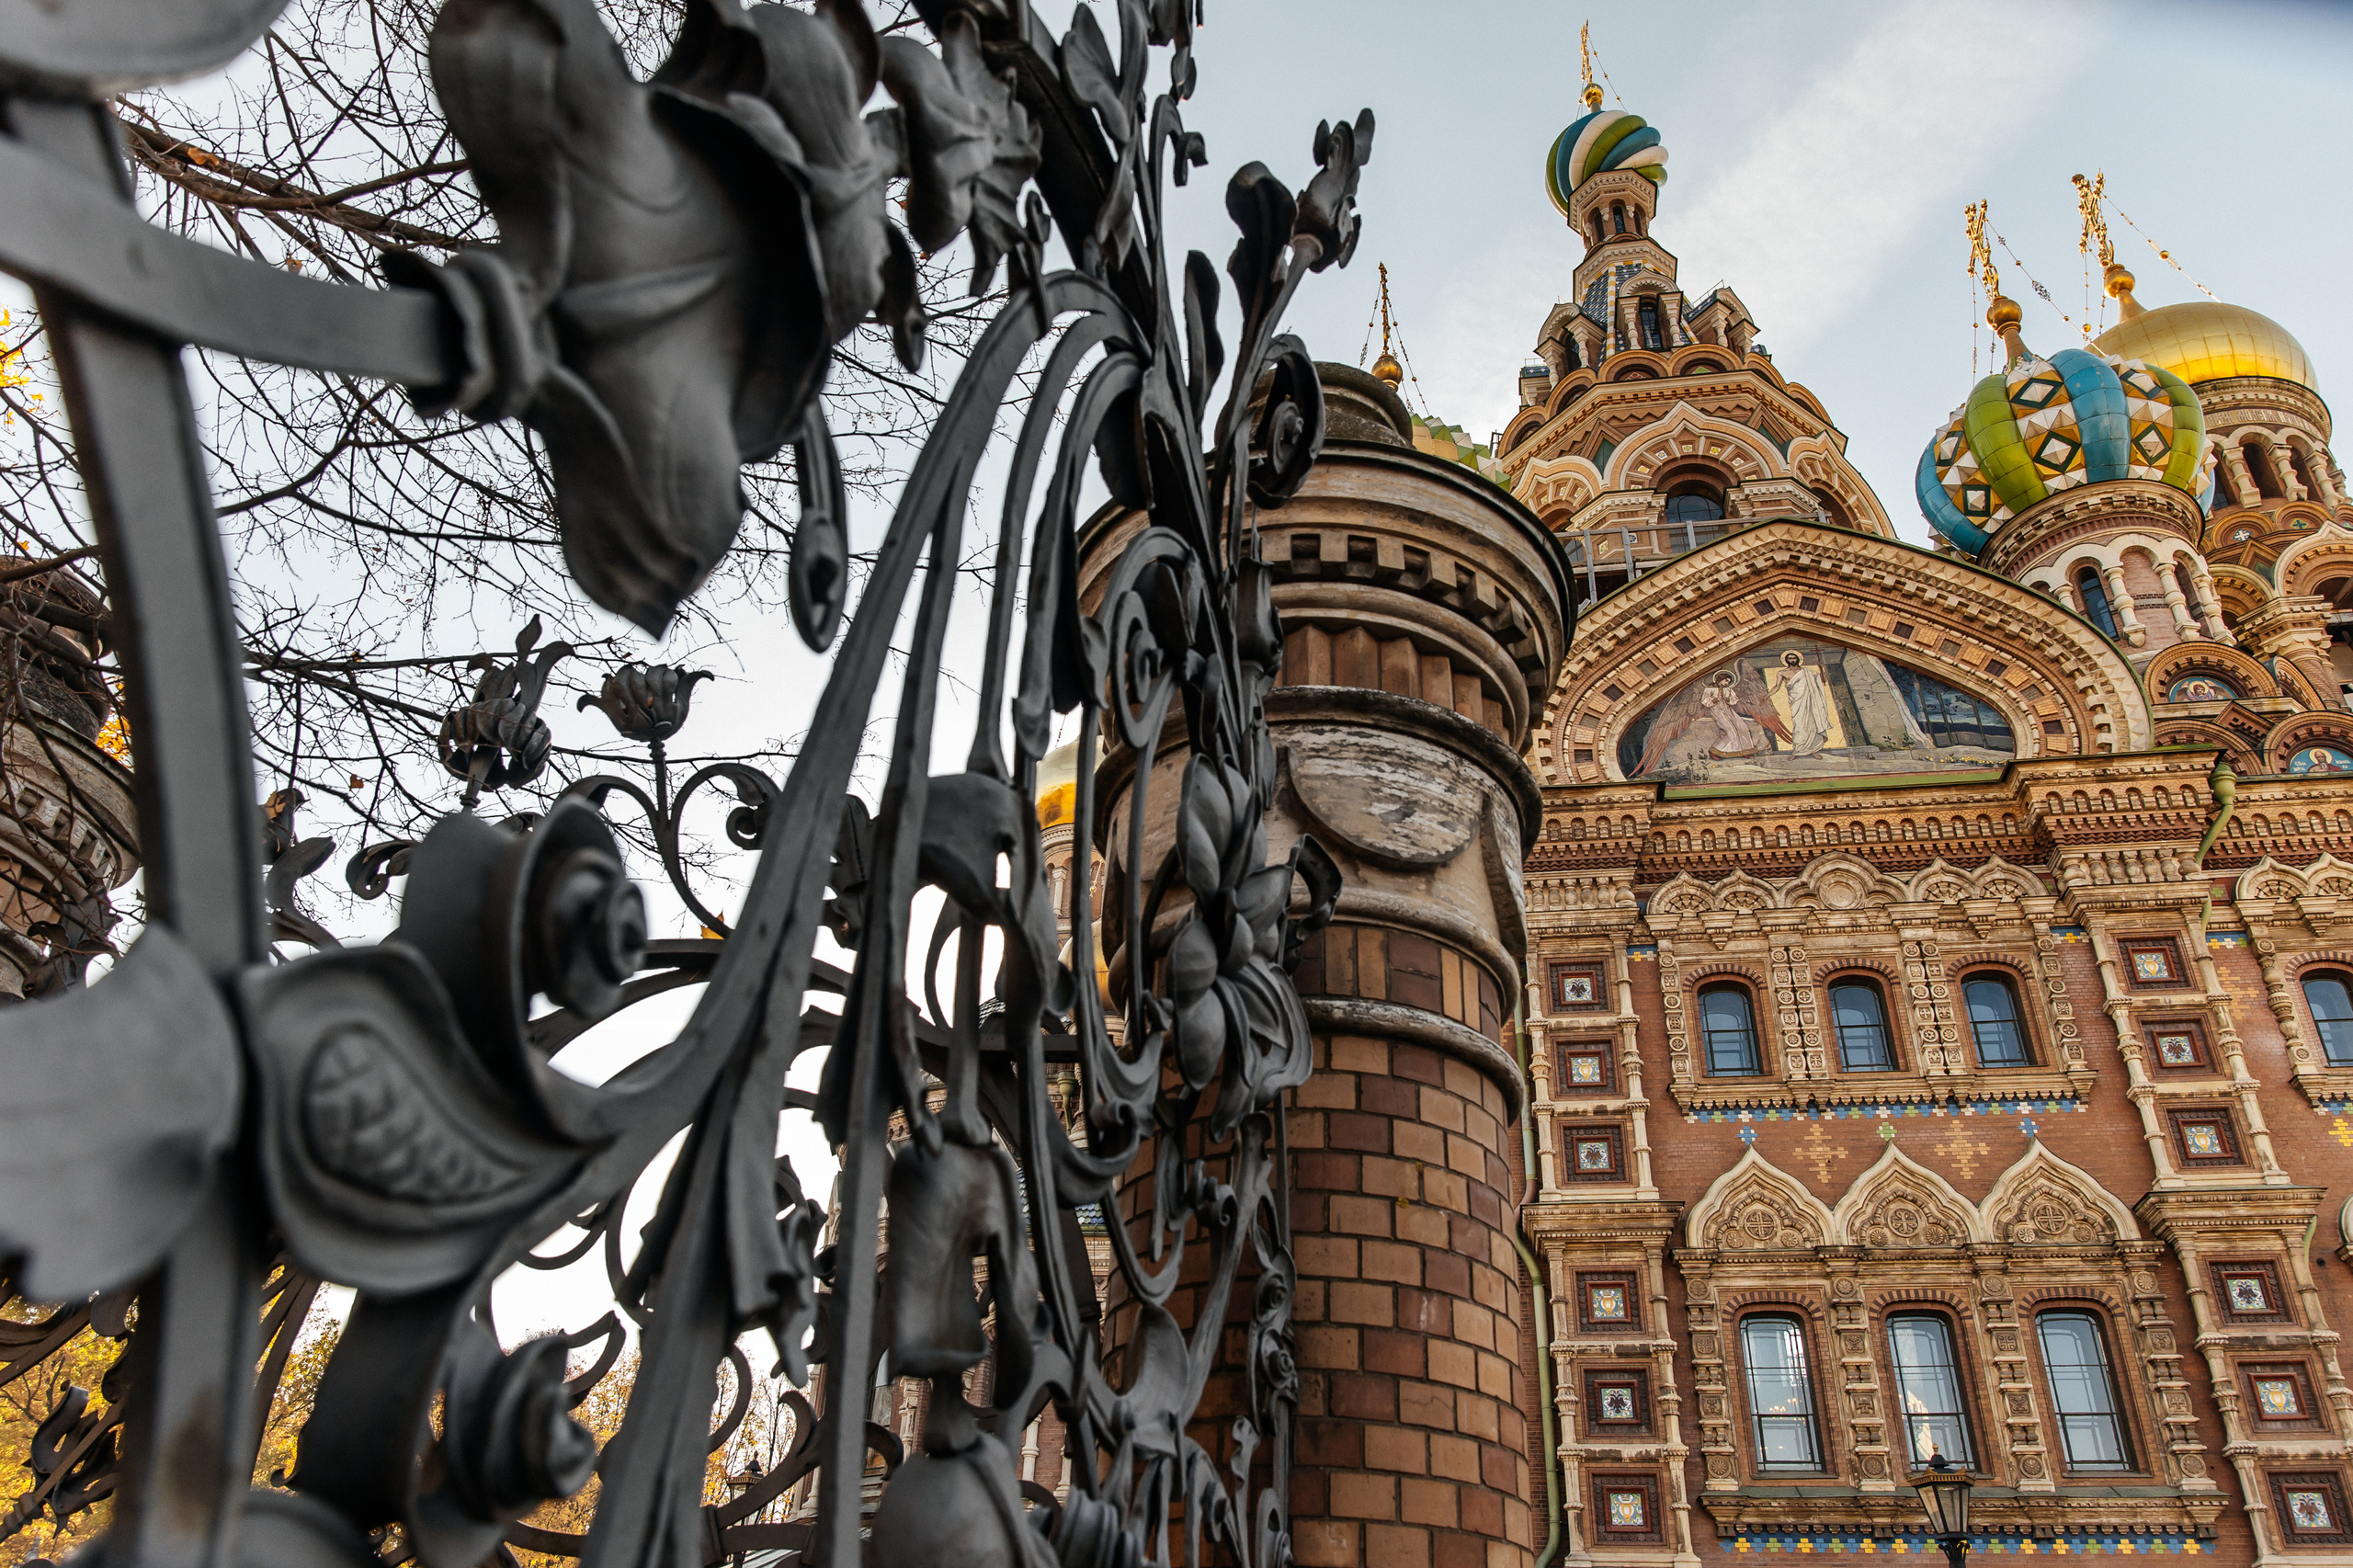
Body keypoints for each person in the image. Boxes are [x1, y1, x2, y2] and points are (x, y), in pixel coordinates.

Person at [1772, 650, 1831, 756]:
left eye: (1794, 658)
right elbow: (1777, 687)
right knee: (1799, 725)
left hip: (1810, 701)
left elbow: (1822, 680)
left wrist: (1822, 669)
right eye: (1790, 658)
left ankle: (1812, 750)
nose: (1792, 660)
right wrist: (1766, 696)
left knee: (1812, 724)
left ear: (1798, 659)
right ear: (1786, 660)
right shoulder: (1782, 672)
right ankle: (1799, 750)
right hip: (1796, 702)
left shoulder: (1808, 672)